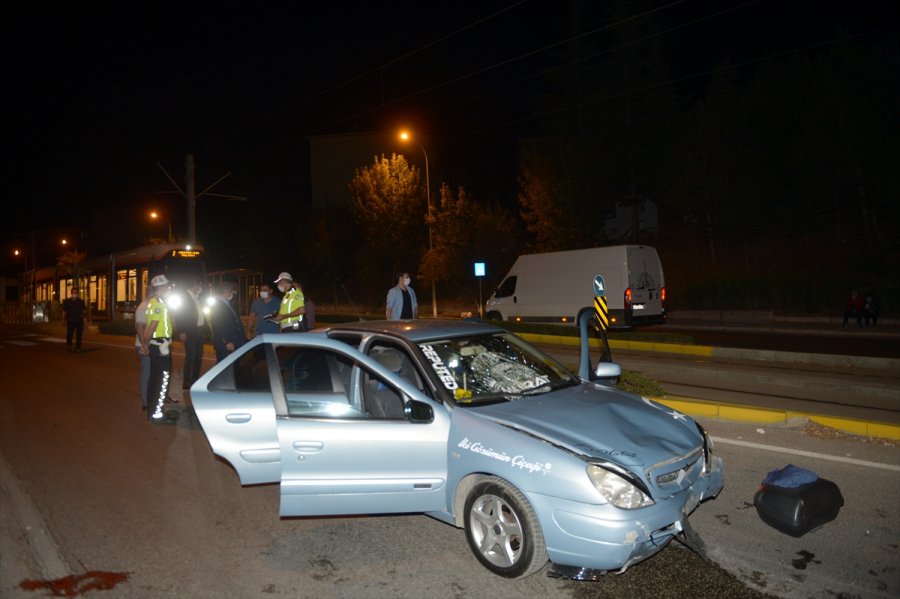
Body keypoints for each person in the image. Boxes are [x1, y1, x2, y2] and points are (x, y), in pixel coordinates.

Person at [140, 275, 176, 423]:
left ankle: (153, 410)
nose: (168, 288)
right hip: (161, 347)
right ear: (161, 287)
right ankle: (156, 414)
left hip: (158, 346)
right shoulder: (158, 304)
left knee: (155, 379)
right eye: (167, 286)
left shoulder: (154, 302)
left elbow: (149, 326)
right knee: (162, 380)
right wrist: (144, 344)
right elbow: (152, 325)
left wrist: (145, 344)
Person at [176, 277, 208, 389]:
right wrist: (181, 331)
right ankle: (187, 381)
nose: (201, 288)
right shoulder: (184, 297)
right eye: (200, 286)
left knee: (199, 355)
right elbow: (179, 315)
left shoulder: (198, 297)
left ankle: (194, 379)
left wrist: (204, 329)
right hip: (189, 331)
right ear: (195, 285)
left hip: (199, 330)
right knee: (191, 356)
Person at [207, 283, 248, 362]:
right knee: (225, 366)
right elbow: (218, 325)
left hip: (233, 341)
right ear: (226, 292)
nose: (232, 294)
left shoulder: (226, 304)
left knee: (231, 366)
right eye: (231, 292)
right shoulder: (217, 305)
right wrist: (227, 341)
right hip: (227, 344)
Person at [134, 292, 151, 412]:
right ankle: (146, 402)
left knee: (155, 374)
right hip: (144, 346)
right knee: (147, 373)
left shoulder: (154, 306)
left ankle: (157, 397)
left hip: (154, 346)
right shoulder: (144, 307)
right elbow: (140, 327)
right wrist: (144, 345)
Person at [62, 287, 87, 352]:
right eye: (73, 292)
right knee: (69, 334)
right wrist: (63, 320)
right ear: (71, 293)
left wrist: (83, 316)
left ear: (78, 293)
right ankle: (69, 345)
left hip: (79, 320)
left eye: (76, 292)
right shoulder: (67, 301)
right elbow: (64, 311)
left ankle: (78, 347)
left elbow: (84, 310)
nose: (74, 294)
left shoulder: (81, 301)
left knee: (79, 335)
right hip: (70, 320)